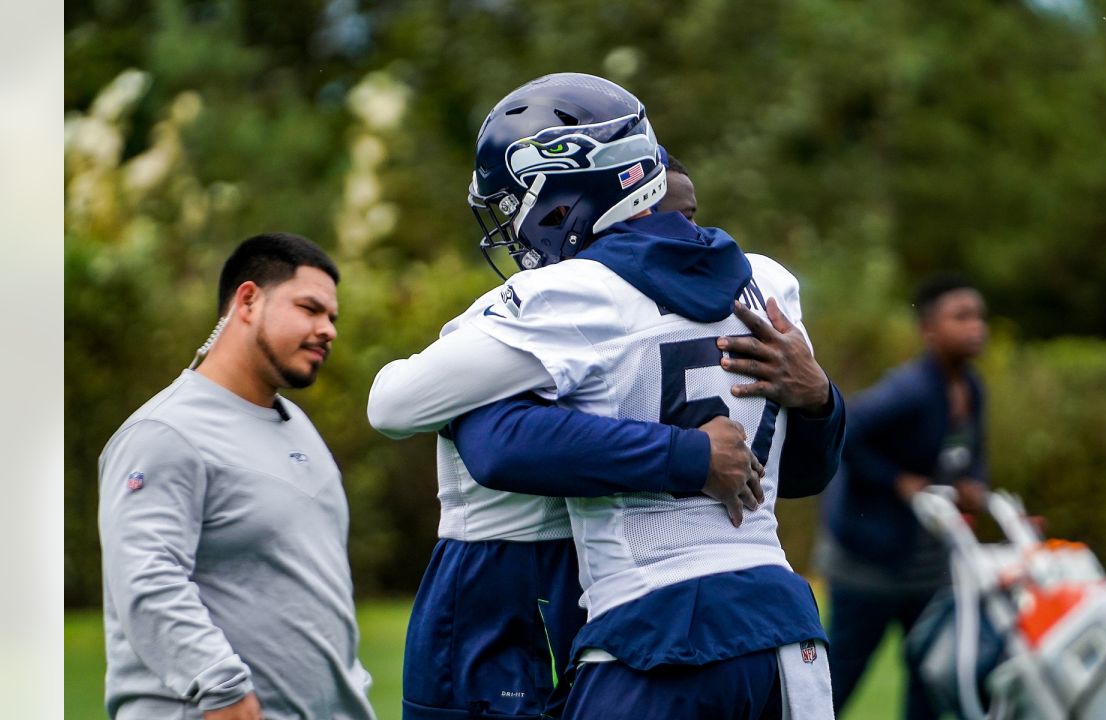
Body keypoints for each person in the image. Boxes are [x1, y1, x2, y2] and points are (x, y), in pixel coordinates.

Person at [369, 72, 846, 719]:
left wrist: (691, 457)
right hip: (787, 632)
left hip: (652, 626)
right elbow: (803, 473)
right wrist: (819, 398)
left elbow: (410, 411)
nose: (516, 227)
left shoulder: (570, 296)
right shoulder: (770, 284)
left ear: (566, 197)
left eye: (519, 206)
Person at [98, 233, 374, 720]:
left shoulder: (297, 425)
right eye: (310, 308)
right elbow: (146, 579)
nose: (328, 329)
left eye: (332, 317)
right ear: (248, 300)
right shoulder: (165, 431)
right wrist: (221, 689)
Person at [817, 273, 990, 719]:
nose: (976, 326)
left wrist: (973, 485)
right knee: (840, 679)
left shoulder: (971, 389)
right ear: (929, 329)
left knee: (930, 675)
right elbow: (847, 431)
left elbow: (969, 455)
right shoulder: (907, 390)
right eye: (961, 317)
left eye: (979, 316)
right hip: (869, 562)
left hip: (930, 566)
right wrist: (897, 481)